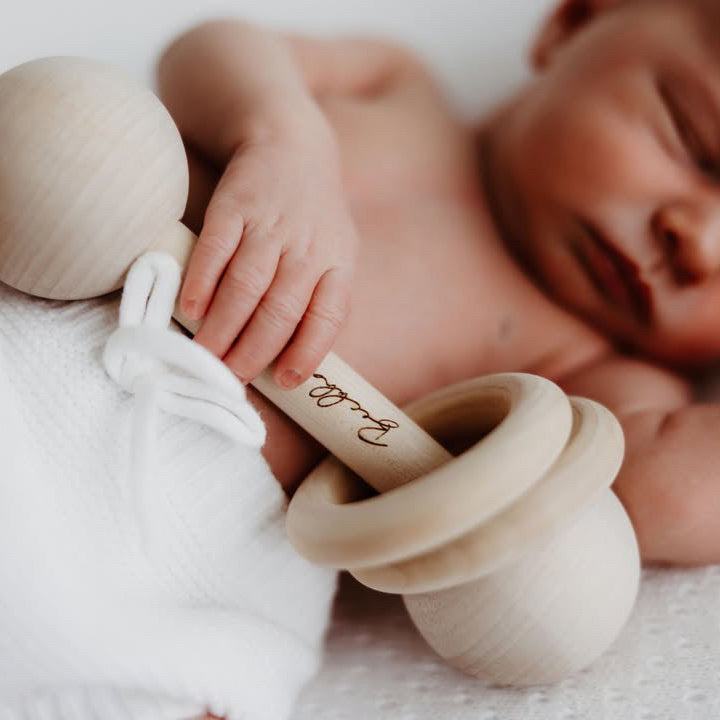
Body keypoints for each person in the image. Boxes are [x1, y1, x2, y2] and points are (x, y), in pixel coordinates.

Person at [157, 0, 720, 572]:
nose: (700, 245)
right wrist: (279, 139)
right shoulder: (395, 87)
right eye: (696, 146)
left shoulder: (582, 377)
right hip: (81, 257)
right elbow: (213, 49)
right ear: (574, 24)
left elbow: (668, 496)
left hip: (151, 510)